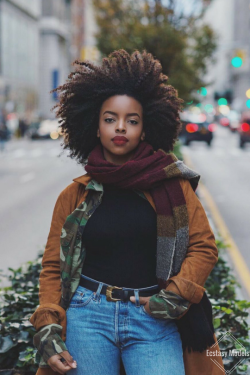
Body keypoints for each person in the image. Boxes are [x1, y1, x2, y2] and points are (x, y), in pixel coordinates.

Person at [29, 49, 225, 375]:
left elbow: (204, 247)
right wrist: (48, 326)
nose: (120, 128)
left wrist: (174, 297)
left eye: (131, 121)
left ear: (144, 130)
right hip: (87, 316)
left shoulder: (173, 188)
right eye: (110, 119)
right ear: (96, 127)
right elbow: (53, 265)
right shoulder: (74, 195)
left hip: (153, 317)